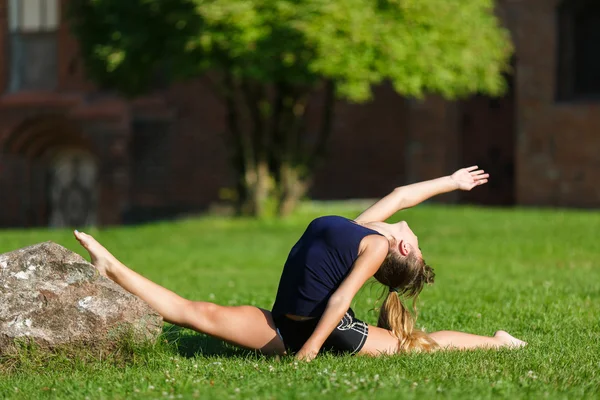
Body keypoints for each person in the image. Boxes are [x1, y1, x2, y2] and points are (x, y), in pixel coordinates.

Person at [73, 166, 525, 361]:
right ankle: (112, 267)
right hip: (283, 327)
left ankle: (498, 342)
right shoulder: (367, 228)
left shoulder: (377, 248)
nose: (414, 232)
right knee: (196, 313)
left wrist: (309, 354)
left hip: (323, 333)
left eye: (417, 242)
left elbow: (343, 298)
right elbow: (402, 195)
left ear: (402, 250)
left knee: (414, 344)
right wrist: (452, 181)